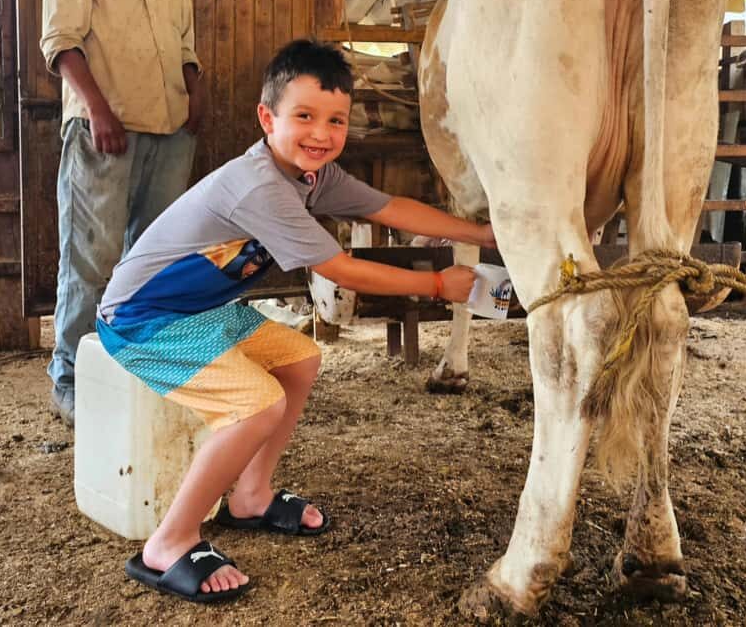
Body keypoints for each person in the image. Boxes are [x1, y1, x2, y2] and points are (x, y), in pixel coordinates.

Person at [94, 39, 495, 603]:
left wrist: (479, 233)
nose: (321, 134)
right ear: (267, 118)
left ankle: (250, 497)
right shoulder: (260, 185)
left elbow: (387, 208)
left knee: (300, 359)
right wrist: (435, 285)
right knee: (256, 404)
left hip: (200, 312)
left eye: (336, 120)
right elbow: (340, 269)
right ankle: (169, 542)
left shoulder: (313, 177)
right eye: (304, 116)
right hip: (142, 320)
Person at [40, 0, 205, 426]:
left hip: (171, 129)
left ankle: (138, 370)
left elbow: (184, 45)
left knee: (154, 263)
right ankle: (70, 380)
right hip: (105, 126)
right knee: (91, 260)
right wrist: (97, 109)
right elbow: (61, 41)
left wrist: (195, 92)